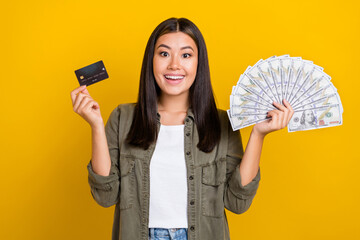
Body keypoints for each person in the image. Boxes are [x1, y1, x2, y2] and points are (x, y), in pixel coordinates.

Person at [70, 17, 294, 240]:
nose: (174, 65)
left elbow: (237, 202)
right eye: (164, 53)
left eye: (186, 55)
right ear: (151, 60)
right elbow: (105, 196)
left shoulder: (222, 123)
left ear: (199, 63)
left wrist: (258, 134)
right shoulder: (123, 118)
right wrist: (96, 126)